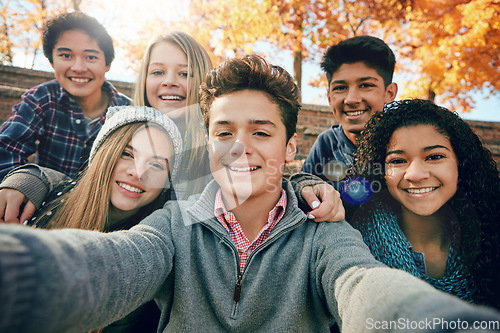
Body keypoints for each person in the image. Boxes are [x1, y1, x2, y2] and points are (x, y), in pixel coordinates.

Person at [1, 55, 499, 333]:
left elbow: (361, 284)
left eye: (261, 132)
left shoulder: (324, 232)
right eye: (224, 132)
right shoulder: (173, 226)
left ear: (290, 147)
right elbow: (110, 264)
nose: (240, 148)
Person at [0, 31, 341, 224]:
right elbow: (84, 181)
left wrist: (304, 182)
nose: (170, 83)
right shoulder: (122, 127)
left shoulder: (212, 150)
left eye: (184, 73)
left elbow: (259, 172)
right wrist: (31, 177)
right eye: (158, 72)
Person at [27, 105, 182, 332]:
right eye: (127, 154)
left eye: (156, 165)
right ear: (103, 153)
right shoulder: (38, 204)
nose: (138, 173)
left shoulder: (152, 252)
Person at [351, 99, 500, 309]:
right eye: (397, 160)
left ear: (461, 163)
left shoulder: (492, 235)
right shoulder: (352, 238)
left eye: (435, 156)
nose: (415, 175)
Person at [0, 11, 131, 180]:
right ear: (52, 61)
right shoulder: (42, 98)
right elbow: (6, 150)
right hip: (46, 201)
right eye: (66, 55)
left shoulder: (128, 112)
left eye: (91, 57)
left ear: (107, 64)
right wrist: (22, 183)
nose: (78, 67)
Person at [301, 36, 398, 188]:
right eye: (340, 88)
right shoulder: (326, 145)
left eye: (366, 85)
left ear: (389, 93)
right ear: (329, 98)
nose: (351, 100)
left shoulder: (404, 141)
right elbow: (302, 192)